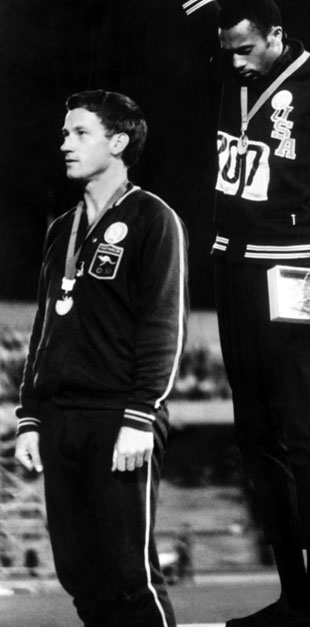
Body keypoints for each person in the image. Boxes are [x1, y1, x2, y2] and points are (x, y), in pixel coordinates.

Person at [121, 0, 310, 627]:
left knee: (306, 432)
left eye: (241, 50)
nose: (229, 62)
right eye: (224, 49)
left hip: (303, 267)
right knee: (254, 433)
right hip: (233, 264)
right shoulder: (231, 53)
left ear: (273, 37)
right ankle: (292, 596)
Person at [15, 90, 188, 627]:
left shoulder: (154, 219)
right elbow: (44, 328)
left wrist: (141, 415)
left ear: (117, 142)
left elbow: (165, 326)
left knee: (128, 574)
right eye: (65, 133)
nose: (64, 144)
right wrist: (29, 417)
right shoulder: (61, 230)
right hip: (61, 421)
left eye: (79, 133)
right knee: (79, 574)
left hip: (119, 419)